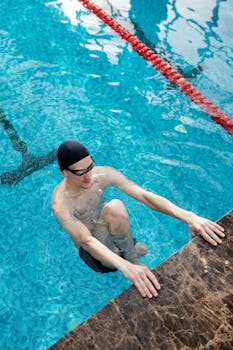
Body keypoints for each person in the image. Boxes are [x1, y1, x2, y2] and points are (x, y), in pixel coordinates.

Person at [52, 139, 225, 299]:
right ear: (64, 173)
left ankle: (133, 257)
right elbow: (87, 240)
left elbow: (144, 195)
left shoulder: (102, 175)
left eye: (90, 166)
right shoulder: (61, 203)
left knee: (115, 206)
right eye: (80, 172)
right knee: (116, 248)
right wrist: (124, 266)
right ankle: (126, 258)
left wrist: (188, 216)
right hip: (96, 255)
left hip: (108, 231)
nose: (88, 176)